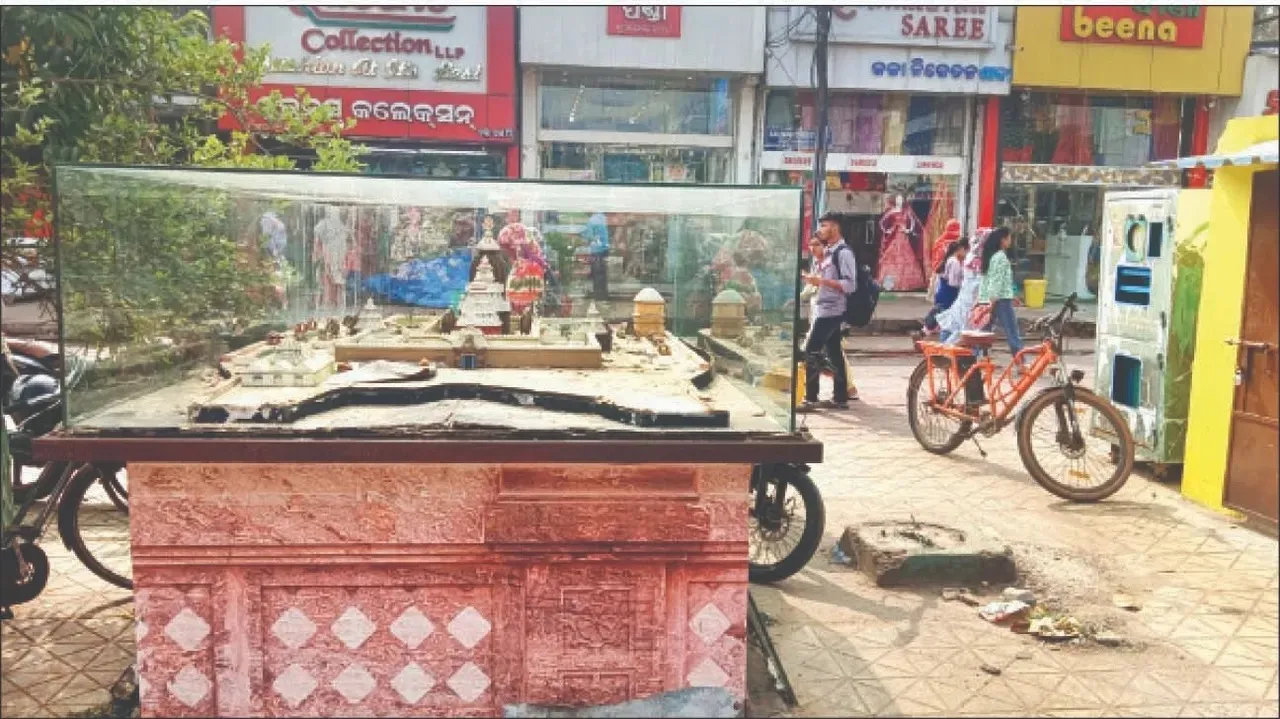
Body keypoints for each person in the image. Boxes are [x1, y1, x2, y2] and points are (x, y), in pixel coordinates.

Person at [799, 213, 857, 412]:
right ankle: (840, 397)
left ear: (835, 227)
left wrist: (821, 282)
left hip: (833, 310)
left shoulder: (843, 253)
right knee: (833, 353)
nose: (821, 229)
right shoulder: (829, 252)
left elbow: (850, 285)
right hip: (823, 308)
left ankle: (811, 398)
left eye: (824, 225)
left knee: (810, 351)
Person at [977, 227, 1024, 357]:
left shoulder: (991, 256)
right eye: (1009, 238)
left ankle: (973, 359)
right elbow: (997, 281)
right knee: (1012, 332)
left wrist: (1011, 296)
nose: (1011, 241)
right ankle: (1020, 361)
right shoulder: (1000, 257)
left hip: (991, 298)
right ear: (1003, 240)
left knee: (983, 332)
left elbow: (989, 280)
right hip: (1000, 300)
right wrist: (993, 301)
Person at [921, 239, 967, 333]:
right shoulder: (954, 262)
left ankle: (925, 331)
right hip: (949, 293)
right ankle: (927, 332)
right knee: (943, 316)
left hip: (943, 292)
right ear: (959, 249)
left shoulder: (949, 260)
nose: (965, 253)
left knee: (939, 314)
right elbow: (953, 282)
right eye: (964, 250)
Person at [583, 212, 610, 301]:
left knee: (597, 274)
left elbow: (589, 236)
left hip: (596, 251)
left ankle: (598, 296)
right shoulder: (603, 217)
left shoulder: (591, 221)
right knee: (602, 275)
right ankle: (604, 295)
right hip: (605, 250)